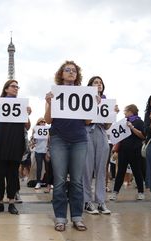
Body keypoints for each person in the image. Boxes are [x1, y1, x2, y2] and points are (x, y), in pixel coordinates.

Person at [44, 61, 88, 231]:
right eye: (67, 70)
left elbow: (88, 121)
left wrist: (94, 105)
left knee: (77, 181)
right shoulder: (54, 93)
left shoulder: (84, 93)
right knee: (60, 180)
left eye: (74, 70)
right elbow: (48, 120)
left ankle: (77, 216)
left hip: (79, 139)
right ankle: (60, 217)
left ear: (77, 75)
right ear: (61, 74)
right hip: (59, 139)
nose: (71, 72)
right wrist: (48, 103)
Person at [0, 79, 31, 215]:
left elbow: (28, 126)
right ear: (6, 89)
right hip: (0, 142)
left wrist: (27, 114)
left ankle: (12, 202)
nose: (16, 88)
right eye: (13, 86)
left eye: (17, 87)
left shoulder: (21, 104)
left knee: (13, 173)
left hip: (15, 142)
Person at [83, 76, 114, 215]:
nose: (99, 84)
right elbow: (86, 121)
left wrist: (112, 115)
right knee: (87, 169)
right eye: (96, 82)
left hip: (101, 132)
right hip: (87, 132)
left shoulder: (106, 101)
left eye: (101, 82)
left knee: (102, 169)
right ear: (90, 85)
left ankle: (101, 201)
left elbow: (107, 126)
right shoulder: (85, 99)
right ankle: (87, 201)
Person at [109, 104, 145, 201]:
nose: (124, 113)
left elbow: (143, 136)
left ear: (131, 111)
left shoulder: (140, 122)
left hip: (135, 150)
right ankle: (115, 192)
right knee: (120, 172)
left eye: (125, 111)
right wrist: (116, 149)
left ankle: (141, 192)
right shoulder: (123, 122)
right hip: (123, 151)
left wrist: (132, 128)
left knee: (137, 172)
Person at [32, 118, 47, 190]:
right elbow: (33, 142)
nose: (43, 123)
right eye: (42, 122)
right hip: (38, 151)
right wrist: (34, 135)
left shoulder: (47, 130)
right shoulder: (35, 130)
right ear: (38, 123)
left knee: (48, 168)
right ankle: (38, 182)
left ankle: (49, 183)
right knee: (39, 167)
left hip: (46, 151)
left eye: (44, 122)